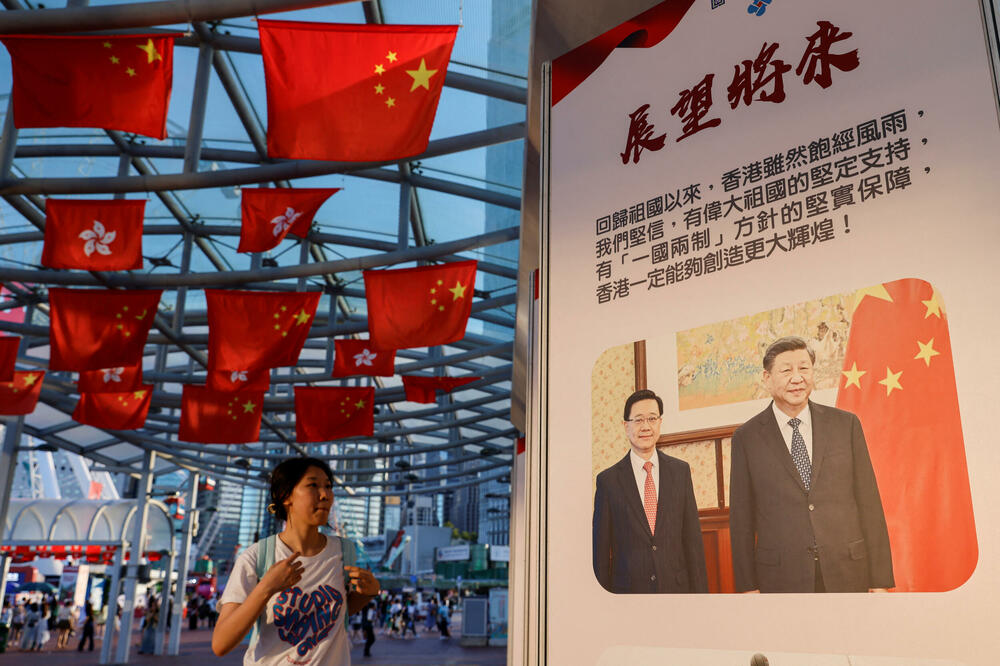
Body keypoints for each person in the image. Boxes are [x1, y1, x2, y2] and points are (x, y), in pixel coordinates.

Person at [729, 336, 894, 593]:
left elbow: (869, 502)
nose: (797, 378)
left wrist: (880, 580)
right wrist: (747, 586)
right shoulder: (747, 438)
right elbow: (741, 519)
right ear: (767, 378)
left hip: (848, 570)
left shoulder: (846, 425)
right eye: (786, 370)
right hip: (782, 578)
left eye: (804, 368)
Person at [212, 456, 380, 664]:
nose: (325, 495)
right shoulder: (257, 556)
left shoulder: (344, 551)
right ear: (285, 496)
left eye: (328, 486)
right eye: (313, 485)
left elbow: (333, 615)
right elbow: (221, 644)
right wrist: (267, 587)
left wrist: (368, 594)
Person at [592, 389, 709, 594]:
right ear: (626, 426)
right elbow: (601, 555)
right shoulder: (608, 482)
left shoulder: (680, 472)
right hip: (628, 596)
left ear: (660, 423)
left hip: (677, 593)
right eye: (638, 420)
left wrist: (701, 601)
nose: (646, 426)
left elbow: (693, 544)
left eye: (652, 419)